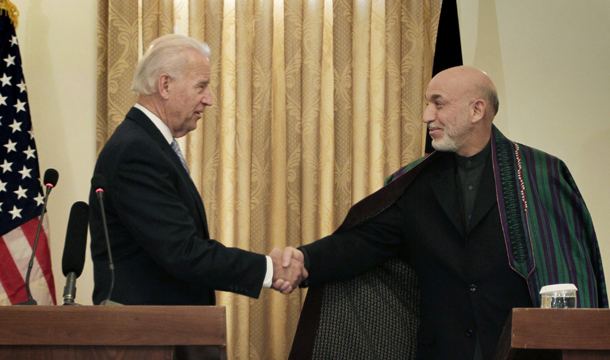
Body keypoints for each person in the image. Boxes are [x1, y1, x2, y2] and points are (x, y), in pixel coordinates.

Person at [284, 66, 608, 360]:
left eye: (438, 104)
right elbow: (362, 242)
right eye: (428, 104)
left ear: (476, 110)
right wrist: (305, 260)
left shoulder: (540, 174)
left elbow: (571, 270)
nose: (427, 115)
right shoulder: (413, 182)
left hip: (521, 352)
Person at [89, 34, 305, 309]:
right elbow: (182, 252)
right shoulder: (136, 151)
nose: (209, 100)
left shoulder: (149, 144)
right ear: (165, 85)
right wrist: (269, 269)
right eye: (201, 86)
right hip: (149, 336)